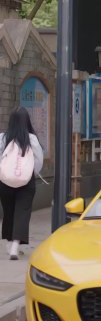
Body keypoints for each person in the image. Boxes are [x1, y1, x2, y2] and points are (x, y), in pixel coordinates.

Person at [0, 108, 43, 260]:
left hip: (5, 181)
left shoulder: (3, 138)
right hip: (26, 182)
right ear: (27, 121)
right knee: (22, 213)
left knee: (9, 212)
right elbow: (38, 161)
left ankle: (8, 243)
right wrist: (31, 174)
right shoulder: (31, 139)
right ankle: (15, 247)